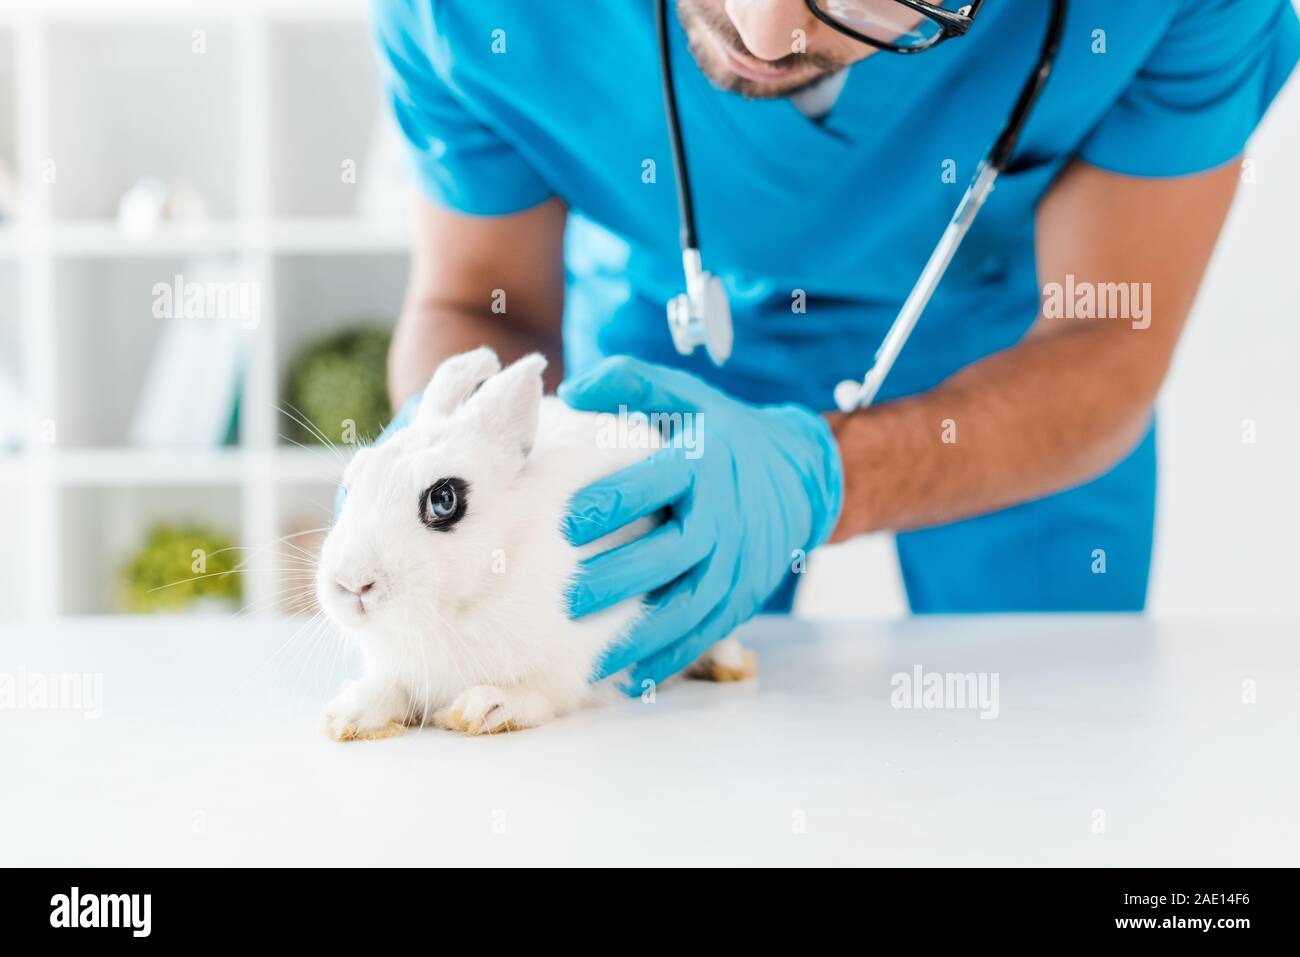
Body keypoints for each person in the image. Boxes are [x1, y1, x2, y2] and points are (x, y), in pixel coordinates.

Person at [370, 0, 1299, 686]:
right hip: (663, 343)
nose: (765, 39)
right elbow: (476, 300)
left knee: (1051, 751)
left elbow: (1107, 338)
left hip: (1019, 365)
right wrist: (445, 450)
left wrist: (818, 476)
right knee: (637, 767)